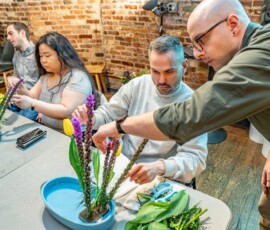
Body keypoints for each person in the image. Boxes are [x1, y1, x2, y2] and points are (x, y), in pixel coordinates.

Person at [92, 0, 270, 228]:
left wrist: (120, 126)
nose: (198, 53)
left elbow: (190, 115)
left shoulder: (261, 54)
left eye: (201, 41)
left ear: (233, 24)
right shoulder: (137, 86)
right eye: (155, 71)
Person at [73, 35, 208, 185]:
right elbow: (109, 112)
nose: (162, 80)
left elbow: (195, 159)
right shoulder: (137, 85)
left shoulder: (193, 104)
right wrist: (91, 118)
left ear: (184, 66)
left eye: (169, 72)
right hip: (124, 166)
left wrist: (160, 167)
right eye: (155, 72)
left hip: (162, 177)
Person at [11, 32, 100, 133]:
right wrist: (20, 88)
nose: (43, 60)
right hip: (48, 131)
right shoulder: (47, 76)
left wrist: (32, 104)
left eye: (47, 56)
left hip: (72, 137)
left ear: (63, 54)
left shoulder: (77, 77)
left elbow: (66, 111)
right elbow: (32, 96)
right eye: (40, 56)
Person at [6, 22, 39, 120]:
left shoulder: (39, 54)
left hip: (33, 99)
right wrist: (9, 94)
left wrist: (43, 110)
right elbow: (16, 77)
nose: (8, 38)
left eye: (11, 33)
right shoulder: (16, 55)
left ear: (22, 33)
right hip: (17, 96)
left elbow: (47, 84)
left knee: (22, 120)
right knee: (4, 116)